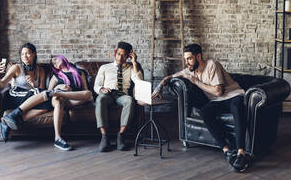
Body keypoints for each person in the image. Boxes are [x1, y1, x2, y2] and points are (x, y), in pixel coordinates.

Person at [152, 44, 250, 172]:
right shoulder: (190, 69)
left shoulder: (212, 65)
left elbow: (218, 91)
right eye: (185, 59)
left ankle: (241, 153)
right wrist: (160, 86)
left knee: (237, 108)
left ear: (198, 56)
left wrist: (195, 81)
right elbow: (170, 77)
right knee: (205, 112)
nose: (187, 63)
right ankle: (227, 150)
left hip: (233, 95)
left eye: (190, 59)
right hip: (217, 101)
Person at [0, 53, 92, 151]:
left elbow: (87, 93)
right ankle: (58, 138)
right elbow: (47, 93)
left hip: (72, 99)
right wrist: (59, 89)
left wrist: (65, 91)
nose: (55, 63)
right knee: (57, 98)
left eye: (56, 60)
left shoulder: (79, 72)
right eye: (53, 63)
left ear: (63, 59)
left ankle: (12, 118)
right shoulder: (55, 77)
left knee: (88, 94)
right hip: (57, 98)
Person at [0, 42, 52, 142]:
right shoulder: (16, 68)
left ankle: (11, 119)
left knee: (48, 103)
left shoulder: (40, 70)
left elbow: (41, 90)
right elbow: (1, 85)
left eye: (28, 53)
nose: (25, 56)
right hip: (15, 95)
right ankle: (12, 115)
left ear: (34, 54)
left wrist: (33, 84)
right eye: (22, 54)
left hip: (30, 97)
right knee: (43, 94)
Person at [94, 41, 143, 152]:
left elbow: (139, 81)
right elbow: (97, 85)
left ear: (128, 56)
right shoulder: (104, 67)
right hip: (108, 93)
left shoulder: (131, 68)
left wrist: (134, 62)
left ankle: (121, 135)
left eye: (124, 55)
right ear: (114, 53)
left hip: (122, 95)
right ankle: (104, 137)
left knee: (130, 100)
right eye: (119, 54)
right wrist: (102, 89)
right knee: (100, 99)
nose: (120, 57)